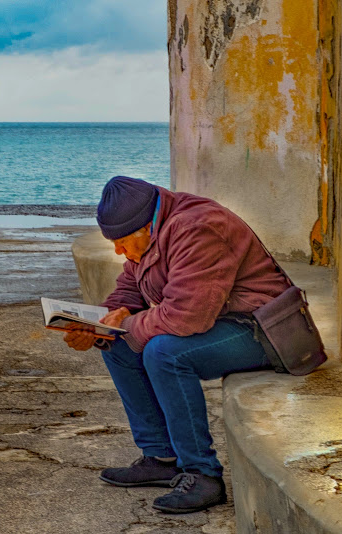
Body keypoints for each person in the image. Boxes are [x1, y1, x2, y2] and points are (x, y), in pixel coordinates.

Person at [63, 176, 289, 514]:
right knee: (120, 344)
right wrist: (101, 324)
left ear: (146, 228)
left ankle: (203, 474)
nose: (119, 252)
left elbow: (187, 317)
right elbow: (131, 285)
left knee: (164, 352)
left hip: (264, 329)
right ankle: (162, 458)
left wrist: (123, 324)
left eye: (123, 243)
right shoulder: (151, 226)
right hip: (221, 322)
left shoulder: (199, 227)